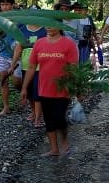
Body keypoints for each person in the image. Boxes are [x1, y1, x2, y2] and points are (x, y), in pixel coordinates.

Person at [20, 19, 78, 157]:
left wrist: (76, 88)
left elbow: (74, 68)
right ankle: (54, 149)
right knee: (48, 119)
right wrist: (24, 87)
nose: (49, 26)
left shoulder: (68, 44)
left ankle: (64, 140)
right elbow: (32, 67)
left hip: (62, 88)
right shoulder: (39, 43)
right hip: (44, 88)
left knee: (59, 118)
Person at [0, 0, 21, 115]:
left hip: (16, 54)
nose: (4, 7)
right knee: (3, 80)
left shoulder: (20, 19)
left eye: (7, 4)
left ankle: (26, 93)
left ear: (12, 5)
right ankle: (6, 107)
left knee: (17, 81)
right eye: (2, 4)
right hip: (3, 54)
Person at [71, 2, 98, 67]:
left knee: (84, 64)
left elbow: (90, 34)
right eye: (76, 10)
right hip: (73, 45)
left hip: (85, 44)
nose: (77, 12)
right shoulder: (70, 20)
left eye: (79, 10)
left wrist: (94, 46)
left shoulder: (87, 19)